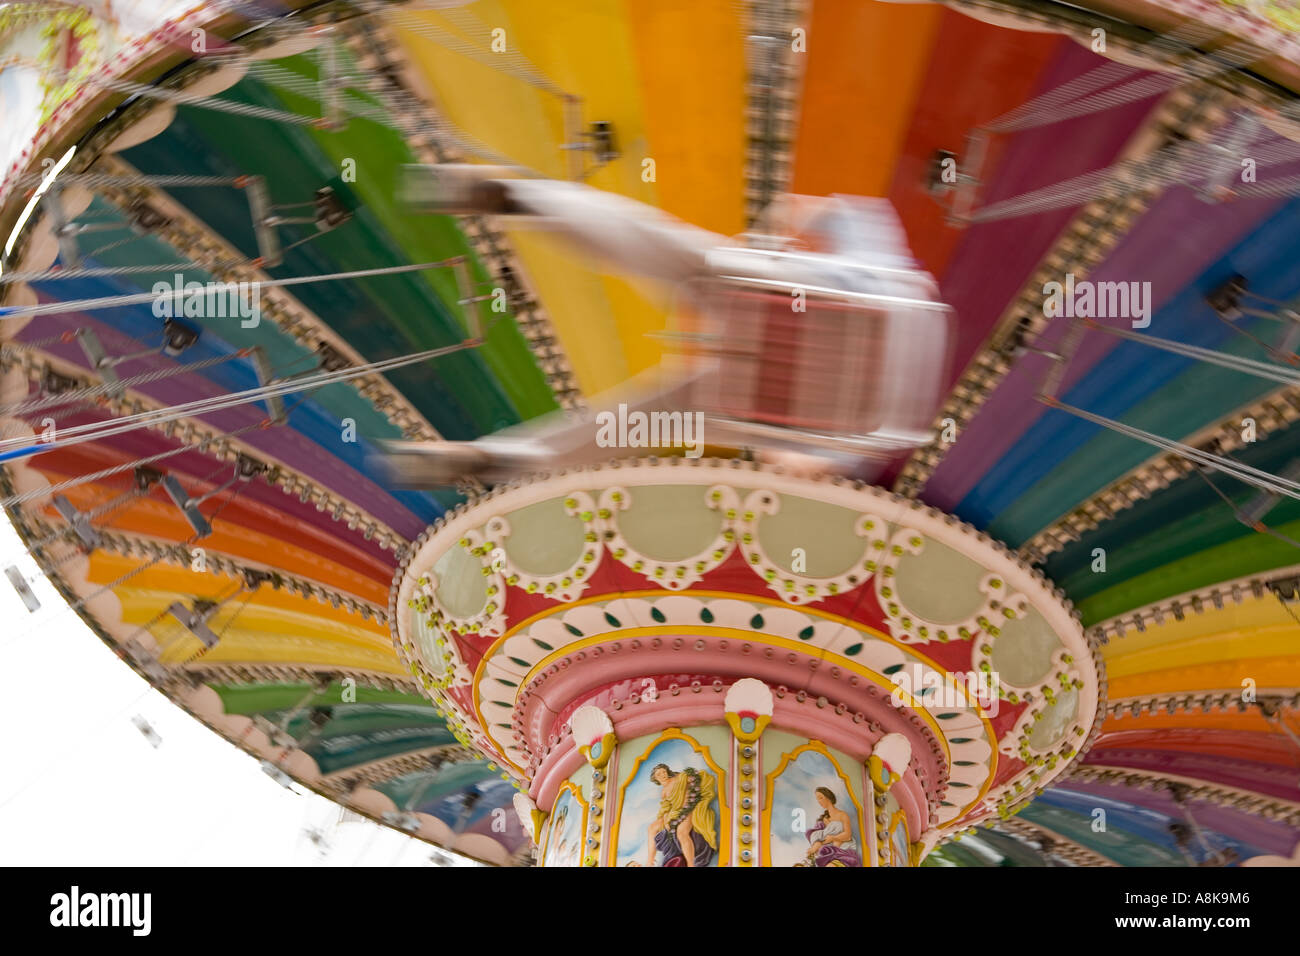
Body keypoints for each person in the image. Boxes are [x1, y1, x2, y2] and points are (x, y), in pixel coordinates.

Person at [645, 763, 718, 867]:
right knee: (651, 828)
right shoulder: (664, 792)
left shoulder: (680, 778)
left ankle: (690, 864)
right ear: (655, 778)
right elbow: (665, 808)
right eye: (659, 774)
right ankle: (650, 861)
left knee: (682, 832)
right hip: (673, 813)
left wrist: (692, 796)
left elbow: (697, 777)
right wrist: (666, 819)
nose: (662, 775)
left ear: (667, 772)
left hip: (689, 809)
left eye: (664, 772)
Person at [803, 787, 861, 867]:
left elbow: (848, 835)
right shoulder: (823, 820)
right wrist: (817, 846)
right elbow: (820, 838)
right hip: (829, 852)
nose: (819, 801)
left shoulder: (842, 815)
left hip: (843, 851)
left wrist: (833, 838)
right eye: (817, 799)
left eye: (821, 798)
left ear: (828, 797)